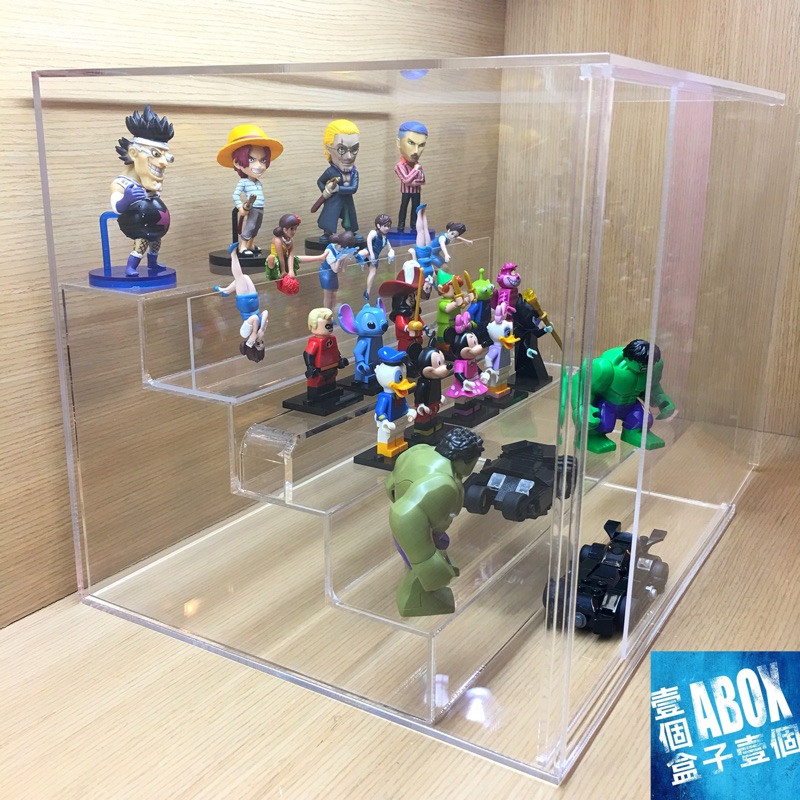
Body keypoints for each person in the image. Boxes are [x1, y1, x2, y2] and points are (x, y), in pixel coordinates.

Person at [110, 105, 175, 277]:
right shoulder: (121, 183)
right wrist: (126, 199)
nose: (164, 163)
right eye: (156, 154)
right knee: (141, 244)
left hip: (155, 226)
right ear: (133, 153)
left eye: (166, 156)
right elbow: (116, 207)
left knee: (156, 242)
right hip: (139, 226)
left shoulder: (148, 184)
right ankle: (131, 267)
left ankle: (153, 263)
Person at [216, 124, 284, 256]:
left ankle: (250, 244)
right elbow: (235, 195)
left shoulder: (258, 183)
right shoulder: (243, 182)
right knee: (250, 226)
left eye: (263, 160)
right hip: (252, 208)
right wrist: (240, 207)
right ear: (237, 162)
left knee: (256, 227)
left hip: (260, 207)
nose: (259, 166)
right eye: (251, 159)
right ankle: (242, 246)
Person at [214, 244, 268, 362]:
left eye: (258, 344)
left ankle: (233, 254)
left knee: (239, 277)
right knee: (245, 277)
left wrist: (255, 332)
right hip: (254, 301)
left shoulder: (244, 333)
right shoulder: (260, 330)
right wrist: (262, 329)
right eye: (262, 343)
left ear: (251, 345)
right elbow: (265, 313)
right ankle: (226, 291)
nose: (260, 341)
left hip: (245, 304)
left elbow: (254, 318)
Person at [315, 119, 360, 239]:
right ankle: (328, 232)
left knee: (349, 217)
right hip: (333, 201)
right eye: (341, 149)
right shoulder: (330, 172)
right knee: (330, 216)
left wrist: (338, 189)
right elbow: (320, 181)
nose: (349, 157)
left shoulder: (354, 173)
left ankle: (350, 231)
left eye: (354, 149)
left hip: (347, 201)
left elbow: (353, 188)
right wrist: (326, 192)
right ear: (329, 148)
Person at [395, 121, 428, 232]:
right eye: (411, 143)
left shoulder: (417, 164)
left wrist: (413, 181)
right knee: (403, 208)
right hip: (406, 192)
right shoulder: (400, 166)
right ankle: (401, 225)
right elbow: (406, 180)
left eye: (421, 145)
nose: (416, 151)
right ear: (399, 143)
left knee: (416, 209)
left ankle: (414, 225)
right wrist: (415, 171)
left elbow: (422, 180)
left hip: (416, 192)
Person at [360, 214, 395, 301]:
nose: (387, 228)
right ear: (378, 226)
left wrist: (391, 252)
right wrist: (371, 253)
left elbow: (389, 248)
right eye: (385, 226)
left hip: (375, 256)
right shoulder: (374, 233)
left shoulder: (385, 238)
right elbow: (369, 239)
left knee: (373, 273)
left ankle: (367, 292)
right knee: (364, 253)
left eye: (388, 226)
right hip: (370, 252)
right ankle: (357, 257)